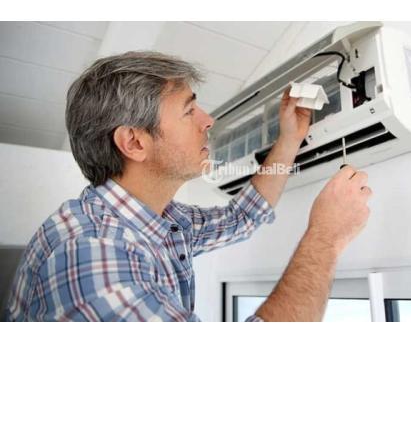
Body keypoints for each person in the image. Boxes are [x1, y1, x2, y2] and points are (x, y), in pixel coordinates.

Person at [6, 51, 372, 321]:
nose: (208, 120)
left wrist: (290, 138)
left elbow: (242, 218)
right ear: (134, 142)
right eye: (188, 111)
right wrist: (326, 238)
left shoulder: (160, 220)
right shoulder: (93, 254)